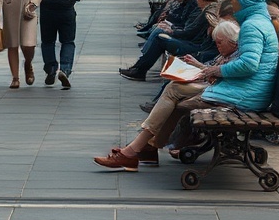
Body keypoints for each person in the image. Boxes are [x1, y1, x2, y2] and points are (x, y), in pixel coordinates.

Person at [94, 0, 279, 171]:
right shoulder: (260, 22)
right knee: (175, 90)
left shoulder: (252, 25)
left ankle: (139, 150)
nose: (232, 3)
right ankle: (141, 149)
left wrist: (216, 70)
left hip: (245, 95)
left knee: (176, 95)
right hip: (251, 91)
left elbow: (249, 64)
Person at [94, 20, 241, 170]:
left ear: (233, 42)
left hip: (219, 93)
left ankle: (140, 149)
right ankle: (144, 147)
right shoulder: (228, 53)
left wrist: (200, 68)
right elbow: (213, 68)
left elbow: (221, 74)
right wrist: (198, 68)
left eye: (220, 43)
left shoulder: (239, 56)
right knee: (173, 94)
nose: (217, 45)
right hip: (214, 88)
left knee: (173, 91)